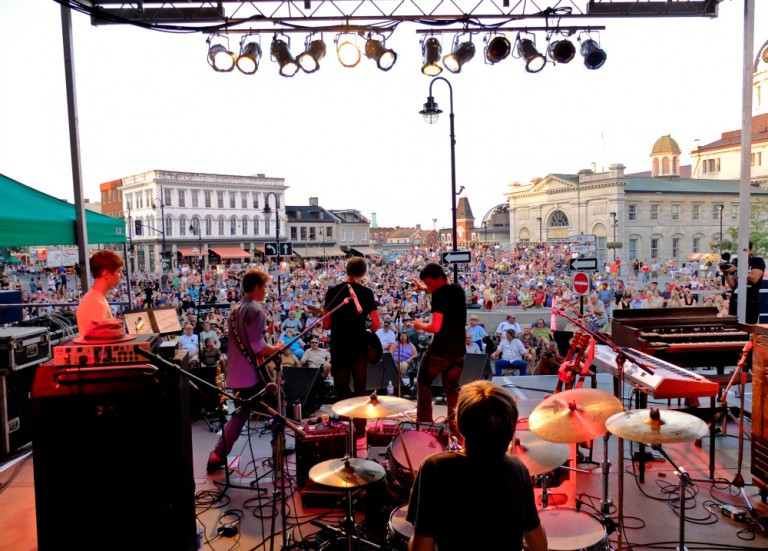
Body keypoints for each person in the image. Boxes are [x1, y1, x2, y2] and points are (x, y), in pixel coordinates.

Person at [406, 380, 547, 551]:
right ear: (510, 430)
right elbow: (539, 544)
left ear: (458, 423)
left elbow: (421, 547)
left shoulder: (434, 468)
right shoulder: (518, 469)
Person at [207, 269, 284, 473]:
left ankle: (216, 456)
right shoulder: (257, 311)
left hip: (236, 373)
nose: (266, 291)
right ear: (257, 287)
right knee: (279, 404)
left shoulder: (236, 309)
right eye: (265, 287)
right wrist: (276, 348)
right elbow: (258, 348)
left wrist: (266, 332)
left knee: (239, 414)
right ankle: (278, 449)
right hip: (253, 375)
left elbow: (247, 338)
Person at [323, 257, 381, 453]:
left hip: (339, 346)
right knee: (360, 387)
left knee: (341, 387)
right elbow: (376, 323)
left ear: (346, 269)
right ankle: (361, 429)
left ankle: (344, 425)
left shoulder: (333, 291)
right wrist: (367, 331)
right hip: (358, 347)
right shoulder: (366, 293)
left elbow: (325, 324)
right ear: (363, 274)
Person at [412, 262, 467, 435]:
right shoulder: (457, 289)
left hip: (441, 350)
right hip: (459, 351)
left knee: (423, 381)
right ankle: (456, 427)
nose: (428, 287)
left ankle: (425, 426)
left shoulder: (439, 296)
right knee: (451, 388)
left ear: (438, 278)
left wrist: (420, 325)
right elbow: (444, 295)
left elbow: (435, 327)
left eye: (429, 283)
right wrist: (424, 289)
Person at [76, 250, 124, 336]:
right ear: (106, 274)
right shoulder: (96, 304)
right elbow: (99, 345)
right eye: (119, 271)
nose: (122, 275)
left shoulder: (95, 299)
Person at [722, 241, 765, 324]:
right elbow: (733, 285)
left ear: (751, 250)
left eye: (745, 250)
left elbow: (754, 279)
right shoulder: (735, 261)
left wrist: (738, 269)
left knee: (749, 327)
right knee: (733, 327)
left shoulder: (757, 261)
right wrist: (725, 273)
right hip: (735, 299)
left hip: (751, 300)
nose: (742, 252)